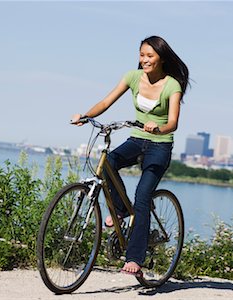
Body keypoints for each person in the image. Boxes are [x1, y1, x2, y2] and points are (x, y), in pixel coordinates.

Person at [71, 35, 189, 277]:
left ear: (161, 59)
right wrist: (85, 115)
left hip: (160, 145)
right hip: (136, 139)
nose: (144, 60)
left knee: (142, 196)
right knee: (107, 163)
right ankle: (122, 212)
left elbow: (174, 122)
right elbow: (106, 101)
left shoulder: (172, 85)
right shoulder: (133, 77)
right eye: (142, 55)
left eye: (150, 56)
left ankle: (135, 257)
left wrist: (159, 128)